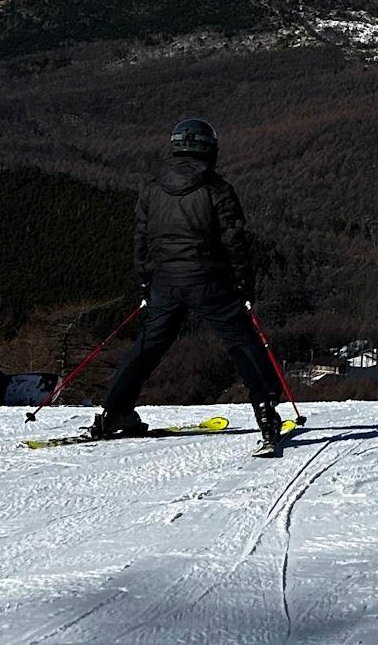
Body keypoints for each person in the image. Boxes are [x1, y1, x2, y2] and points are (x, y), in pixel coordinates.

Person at [88, 117, 285, 456]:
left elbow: (142, 240)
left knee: (149, 345)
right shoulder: (217, 190)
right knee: (241, 342)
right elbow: (234, 243)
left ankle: (113, 411)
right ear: (211, 150)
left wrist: (146, 283)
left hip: (166, 281)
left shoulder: (152, 188)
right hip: (209, 280)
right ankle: (266, 413)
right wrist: (244, 287)